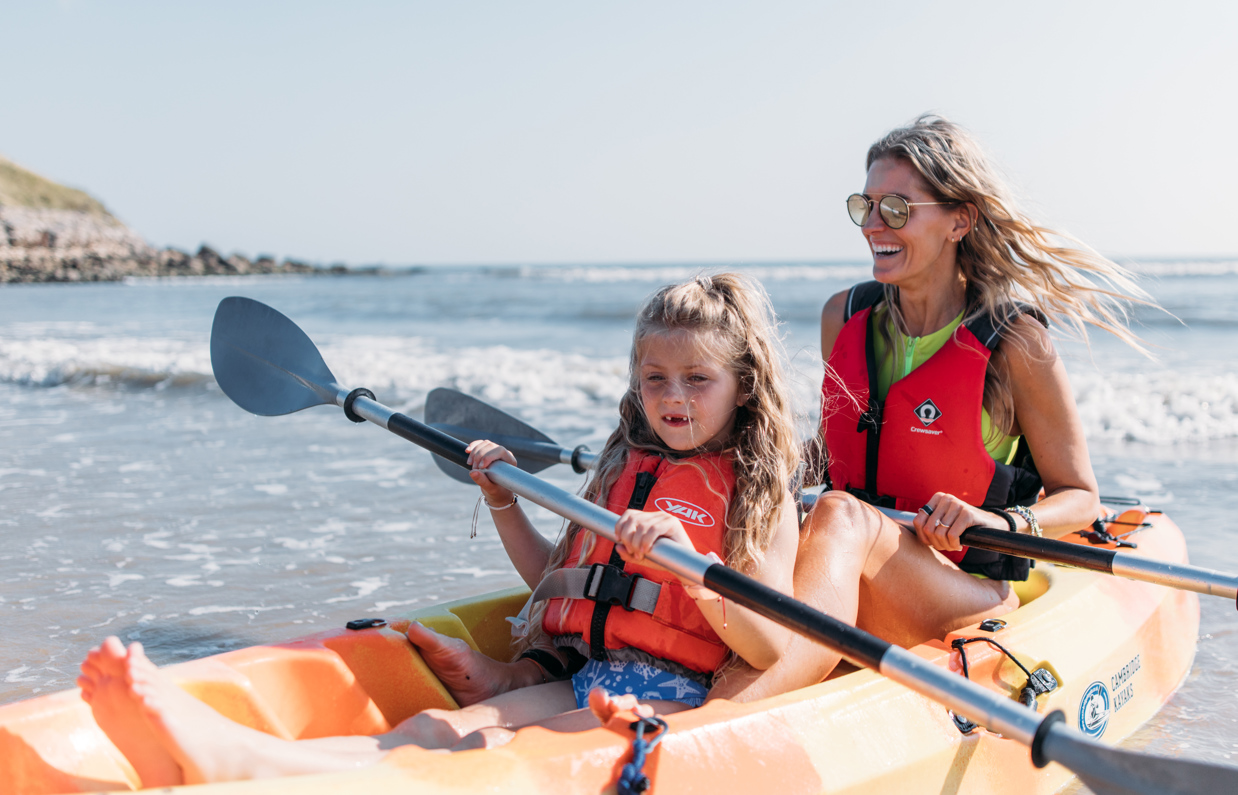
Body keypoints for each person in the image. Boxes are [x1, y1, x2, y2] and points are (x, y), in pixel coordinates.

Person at [77, 273, 802, 785]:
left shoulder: (761, 493)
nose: (671, 397)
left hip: (671, 699)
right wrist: (501, 499)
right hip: (586, 674)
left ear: (744, 383)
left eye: (696, 379)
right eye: (654, 378)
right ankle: (243, 756)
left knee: (493, 756)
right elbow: (556, 577)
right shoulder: (622, 465)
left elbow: (768, 644)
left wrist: (687, 565)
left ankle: (250, 770)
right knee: (443, 730)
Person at [710, 114, 1149, 701]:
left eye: (897, 209)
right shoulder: (843, 318)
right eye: (864, 207)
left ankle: (718, 717)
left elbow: (1081, 496)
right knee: (806, 516)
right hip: (856, 566)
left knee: (840, 515)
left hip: (962, 591)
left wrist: (1005, 523)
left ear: (958, 220)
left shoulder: (1016, 344)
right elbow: (835, 448)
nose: (873, 226)